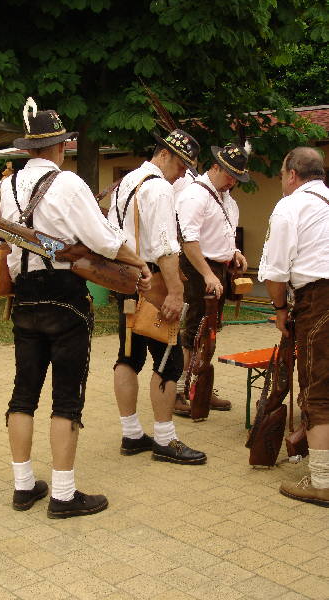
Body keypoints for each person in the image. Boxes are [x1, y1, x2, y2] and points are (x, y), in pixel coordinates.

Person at [0, 99, 152, 518]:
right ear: (61, 146)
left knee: (23, 393)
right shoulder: (68, 184)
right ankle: (64, 496)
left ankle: (23, 488)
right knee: (66, 398)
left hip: (25, 298)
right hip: (66, 296)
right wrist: (139, 262)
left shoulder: (4, 188)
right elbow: (105, 240)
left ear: (28, 148)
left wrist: (14, 245)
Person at [107, 129, 206, 465]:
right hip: (154, 282)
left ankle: (131, 433)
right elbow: (165, 246)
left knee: (128, 357)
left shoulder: (126, 182)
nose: (181, 174)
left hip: (126, 279)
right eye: (181, 165)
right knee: (169, 359)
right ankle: (165, 439)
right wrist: (175, 292)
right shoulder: (160, 187)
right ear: (165, 154)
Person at [258, 146, 329, 508]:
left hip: (319, 300)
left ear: (291, 174)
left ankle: (322, 481)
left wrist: (280, 309)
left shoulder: (290, 206)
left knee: (318, 390)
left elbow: (274, 272)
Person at [174, 142, 249, 417]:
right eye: (230, 175)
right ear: (215, 167)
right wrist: (207, 274)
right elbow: (189, 240)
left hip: (216, 270)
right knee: (194, 331)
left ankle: (200, 387)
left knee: (209, 332)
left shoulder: (227, 199)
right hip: (197, 269)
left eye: (237, 177)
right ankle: (178, 390)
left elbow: (220, 235)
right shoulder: (195, 195)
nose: (233, 182)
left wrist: (234, 253)